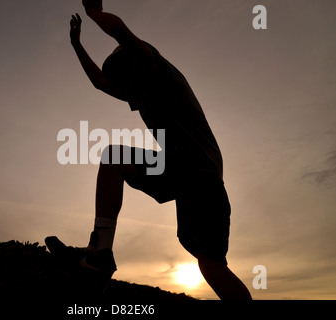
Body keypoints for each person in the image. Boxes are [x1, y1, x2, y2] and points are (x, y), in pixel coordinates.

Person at [47, 0, 252, 300]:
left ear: (133, 64)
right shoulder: (141, 91)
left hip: (201, 173)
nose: (124, 85)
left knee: (210, 264)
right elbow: (100, 83)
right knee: (113, 157)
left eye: (125, 76)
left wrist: (94, 14)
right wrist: (76, 45)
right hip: (179, 171)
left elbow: (120, 32)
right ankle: (101, 250)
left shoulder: (156, 70)